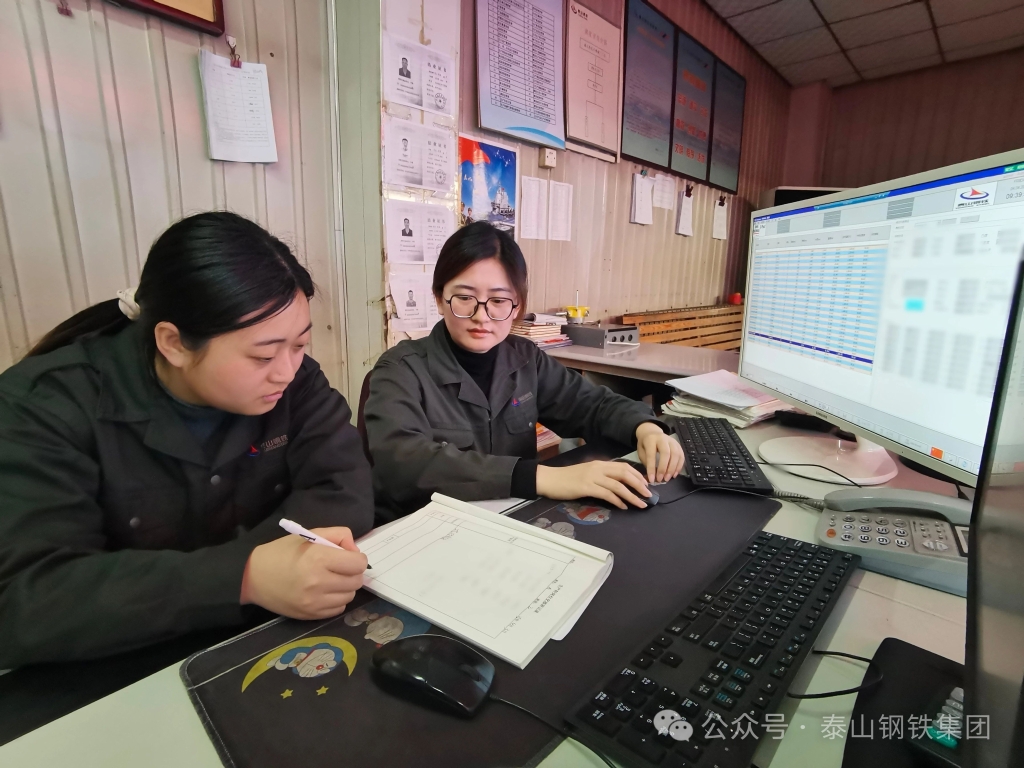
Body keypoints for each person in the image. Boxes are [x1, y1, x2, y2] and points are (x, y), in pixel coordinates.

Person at [0, 212, 373, 669]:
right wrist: (243, 577)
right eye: (262, 355)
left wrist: (258, 577)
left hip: (269, 636)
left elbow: (344, 490)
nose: (286, 371)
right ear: (173, 343)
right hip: (118, 667)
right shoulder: (44, 405)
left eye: (299, 345)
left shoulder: (297, 384)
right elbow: (27, 598)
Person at [364, 221, 685, 521]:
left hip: (510, 523)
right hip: (424, 531)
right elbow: (404, 463)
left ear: (516, 306)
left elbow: (593, 405)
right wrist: (542, 478)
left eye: (498, 300)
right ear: (439, 299)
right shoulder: (399, 370)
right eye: (464, 297)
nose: (481, 316)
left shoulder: (525, 359)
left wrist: (645, 428)